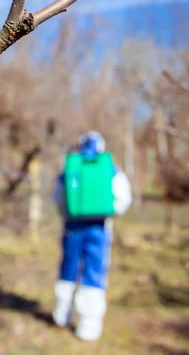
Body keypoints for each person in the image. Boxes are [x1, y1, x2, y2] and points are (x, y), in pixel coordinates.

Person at [51, 131, 132, 341]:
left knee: (68, 269)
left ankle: (61, 316)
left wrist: (68, 214)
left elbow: (58, 197)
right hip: (99, 228)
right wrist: (107, 212)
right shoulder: (110, 169)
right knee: (94, 274)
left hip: (72, 226)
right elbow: (123, 200)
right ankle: (89, 327)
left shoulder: (70, 168)